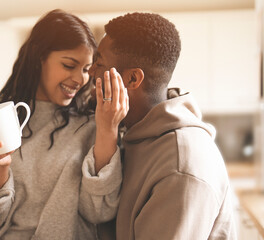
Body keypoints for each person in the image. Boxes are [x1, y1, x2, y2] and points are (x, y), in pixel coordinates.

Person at [0, 9, 129, 239]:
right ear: (39, 59)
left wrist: (107, 130)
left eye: (86, 69)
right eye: (69, 65)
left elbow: (99, 211)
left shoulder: (92, 125)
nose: (80, 79)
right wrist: (0, 168)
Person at [90, 12, 236, 239]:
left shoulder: (181, 167)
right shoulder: (131, 134)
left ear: (131, 80)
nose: (90, 72)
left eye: (99, 63)